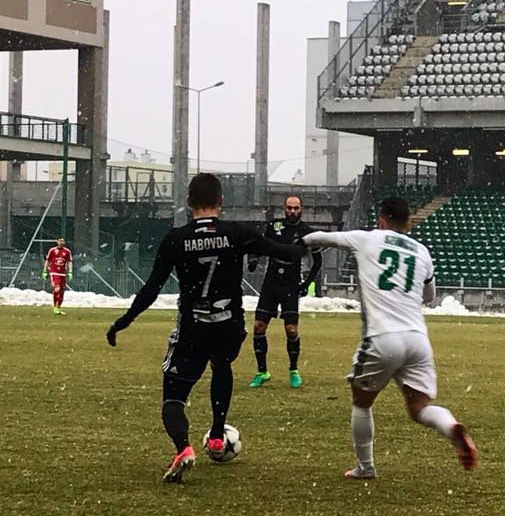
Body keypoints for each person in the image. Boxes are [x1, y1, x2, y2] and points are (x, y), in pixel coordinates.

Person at [105, 173, 304, 483]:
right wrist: (309, 243)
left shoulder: (176, 239)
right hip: (229, 326)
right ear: (220, 201)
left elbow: (151, 289)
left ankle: (183, 448)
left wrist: (124, 320)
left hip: (193, 328)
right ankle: (216, 434)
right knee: (221, 365)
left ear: (189, 202)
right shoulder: (236, 233)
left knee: (173, 398)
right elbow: (284, 252)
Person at [301, 196, 477, 479]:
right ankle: (450, 426)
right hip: (417, 339)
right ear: (408, 223)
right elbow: (429, 296)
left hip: (382, 336)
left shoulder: (367, 239)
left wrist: (304, 240)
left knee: (362, 401)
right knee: (419, 407)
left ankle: (365, 467)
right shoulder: (421, 251)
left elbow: (323, 237)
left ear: (381, 220)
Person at [247, 194, 323, 389]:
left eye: (296, 208)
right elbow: (259, 245)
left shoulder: (308, 233)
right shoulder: (274, 226)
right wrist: (254, 259)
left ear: (302, 209)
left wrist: (306, 284)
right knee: (258, 326)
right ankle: (262, 372)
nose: (292, 211)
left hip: (290, 284)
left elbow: (318, 262)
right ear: (284, 208)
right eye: (289, 208)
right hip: (271, 283)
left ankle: (293, 370)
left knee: (291, 329)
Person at [42, 236, 73, 314]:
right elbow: (47, 260)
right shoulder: (52, 250)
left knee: (62, 291)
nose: (61, 242)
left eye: (62, 241)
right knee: (57, 288)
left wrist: (70, 271)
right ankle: (55, 307)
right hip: (54, 272)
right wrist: (44, 271)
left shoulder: (67, 251)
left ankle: (58, 307)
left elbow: (69, 261)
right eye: (60, 241)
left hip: (62, 273)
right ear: (57, 241)